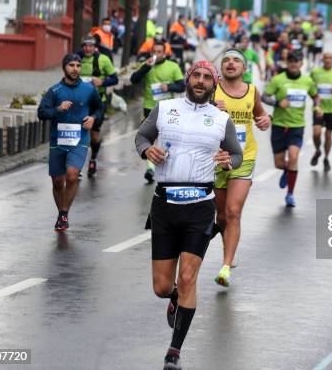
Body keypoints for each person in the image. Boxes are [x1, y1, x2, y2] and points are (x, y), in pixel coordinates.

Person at [135, 61, 243, 370]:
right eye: (196, 75)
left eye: (207, 77)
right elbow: (142, 137)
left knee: (188, 278)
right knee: (161, 286)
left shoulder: (221, 119)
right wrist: (147, 151)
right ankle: (174, 298)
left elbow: (235, 153)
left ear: (214, 83)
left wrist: (228, 161)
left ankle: (174, 352)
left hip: (200, 205)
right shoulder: (165, 108)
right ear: (187, 78)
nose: (200, 81)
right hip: (165, 204)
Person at [212, 49, 272, 287]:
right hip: (216, 158)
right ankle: (229, 245)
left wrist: (265, 119)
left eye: (236, 60)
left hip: (243, 156)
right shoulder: (211, 90)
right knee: (222, 215)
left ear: (244, 69)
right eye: (226, 59)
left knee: (234, 210)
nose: (231, 63)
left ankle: (226, 266)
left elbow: (261, 116)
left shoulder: (252, 91)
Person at [38, 53, 102, 231]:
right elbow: (42, 112)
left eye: (78, 65)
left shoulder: (89, 89)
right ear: (64, 67)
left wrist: (93, 118)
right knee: (58, 181)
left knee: (72, 175)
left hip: (80, 139)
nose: (75, 69)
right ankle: (61, 214)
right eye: (71, 65)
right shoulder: (55, 91)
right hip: (58, 140)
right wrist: (58, 109)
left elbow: (99, 109)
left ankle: (64, 213)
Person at [262, 51, 322, 207]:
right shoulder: (278, 79)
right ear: (287, 63)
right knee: (279, 163)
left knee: (294, 157)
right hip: (279, 126)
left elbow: (315, 96)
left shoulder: (307, 81)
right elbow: (264, 96)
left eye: (297, 61)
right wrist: (277, 103)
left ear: (301, 63)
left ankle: (290, 194)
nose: (294, 64)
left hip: (297, 126)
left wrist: (317, 107)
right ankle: (286, 170)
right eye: (291, 61)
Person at [131, 42, 185, 183]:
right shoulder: (147, 65)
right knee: (151, 138)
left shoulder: (173, 66)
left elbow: (182, 86)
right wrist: (146, 67)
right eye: (154, 52)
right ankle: (150, 168)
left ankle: (166, 164)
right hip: (149, 107)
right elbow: (134, 80)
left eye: (159, 52)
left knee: (166, 139)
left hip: (168, 109)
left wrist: (169, 86)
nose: (156, 54)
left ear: (164, 53)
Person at [78, 36, 119, 177]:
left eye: (91, 46)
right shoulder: (76, 59)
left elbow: (115, 78)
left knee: (94, 137)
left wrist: (101, 82)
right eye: (85, 45)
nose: (88, 48)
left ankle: (93, 158)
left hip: (97, 103)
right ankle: (77, 165)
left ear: (95, 47)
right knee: (79, 134)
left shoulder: (103, 59)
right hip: (79, 102)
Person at [310, 52, 332, 171]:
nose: (328, 60)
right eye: (325, 58)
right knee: (316, 133)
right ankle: (318, 150)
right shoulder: (315, 72)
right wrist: (314, 97)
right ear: (322, 59)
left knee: (328, 135)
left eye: (330, 58)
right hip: (318, 107)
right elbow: (309, 88)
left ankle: (326, 158)